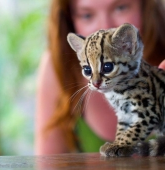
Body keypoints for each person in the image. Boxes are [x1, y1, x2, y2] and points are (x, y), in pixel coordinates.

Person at [35, 0, 165, 155]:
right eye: (87, 15)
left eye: (120, 7)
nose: (105, 25)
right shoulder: (58, 65)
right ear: (70, 19)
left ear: (146, 6)